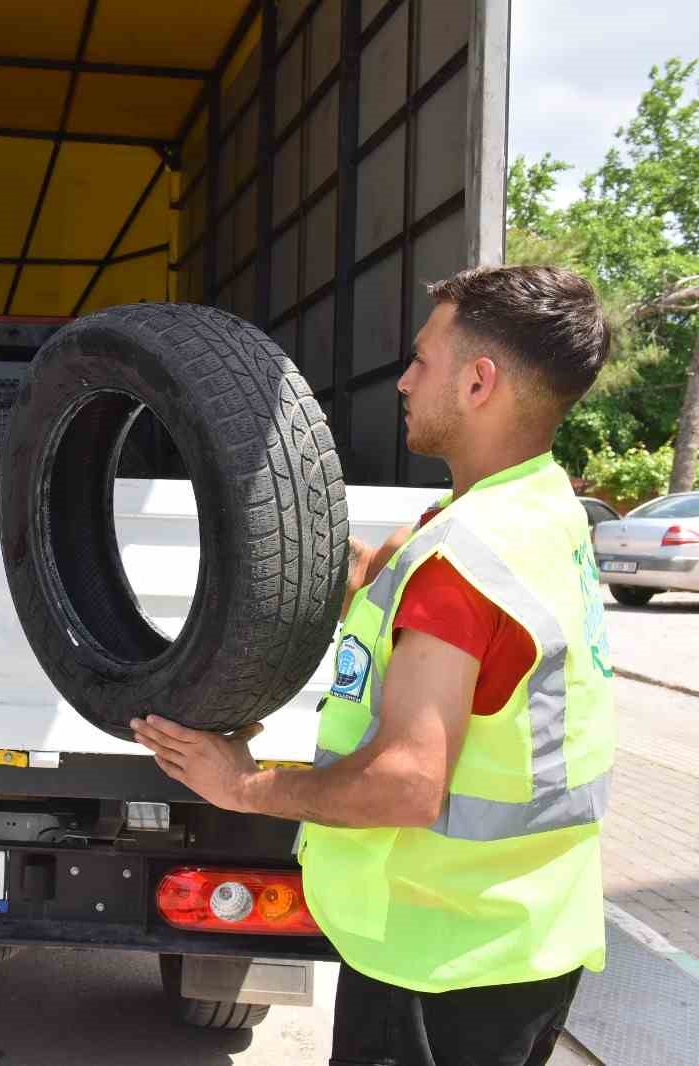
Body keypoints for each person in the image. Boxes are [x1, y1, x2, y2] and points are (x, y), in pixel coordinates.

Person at [131, 265, 615, 1066]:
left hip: (437, 963)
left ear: (478, 381)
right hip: (520, 940)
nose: (403, 380)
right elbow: (417, 597)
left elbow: (407, 783)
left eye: (423, 360)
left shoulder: (462, 562)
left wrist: (241, 787)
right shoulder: (540, 512)